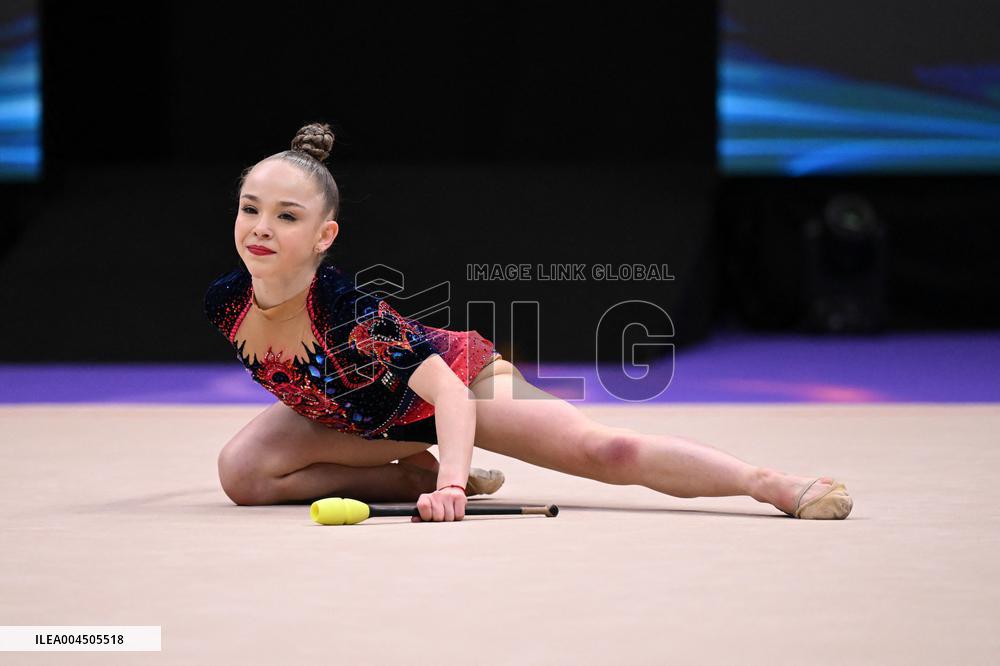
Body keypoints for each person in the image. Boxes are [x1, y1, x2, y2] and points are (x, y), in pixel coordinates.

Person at [207, 121, 854, 523]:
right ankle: (415, 476)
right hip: (357, 416)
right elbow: (308, 385)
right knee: (242, 474)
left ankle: (767, 484)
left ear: (325, 235)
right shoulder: (226, 302)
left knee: (606, 451)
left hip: (451, 388)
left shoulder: (349, 314)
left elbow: (451, 394)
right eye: (250, 209)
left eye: (287, 216)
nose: (262, 228)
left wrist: (454, 485)